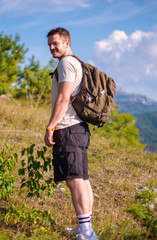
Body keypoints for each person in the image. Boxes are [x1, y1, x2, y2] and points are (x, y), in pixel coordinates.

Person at [44, 28, 98, 240]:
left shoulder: (66, 64)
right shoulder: (75, 62)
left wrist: (51, 126)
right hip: (78, 128)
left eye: (55, 43)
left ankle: (86, 232)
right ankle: (85, 227)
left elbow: (63, 98)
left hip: (68, 128)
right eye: (49, 44)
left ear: (67, 42)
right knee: (81, 179)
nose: (51, 48)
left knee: (75, 180)